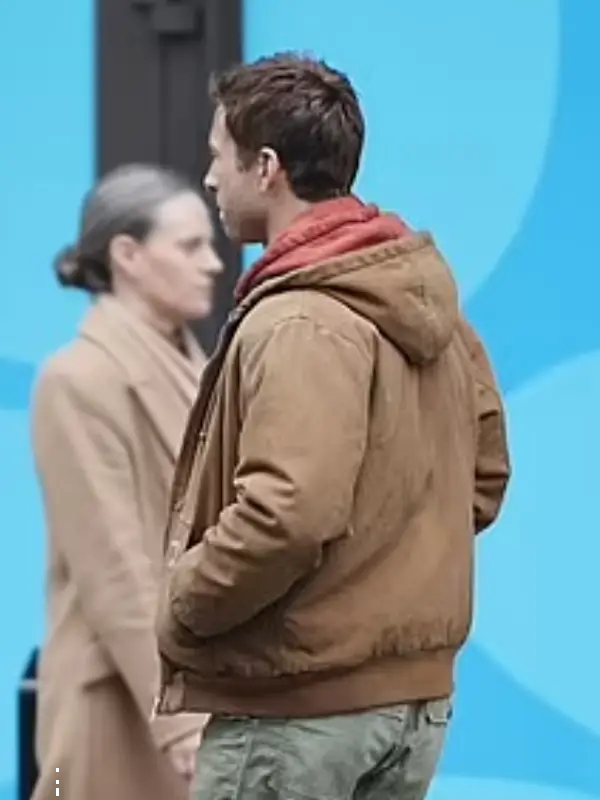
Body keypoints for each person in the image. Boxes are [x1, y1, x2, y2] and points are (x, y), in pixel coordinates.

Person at [155, 54, 511, 800]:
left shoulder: (297, 320)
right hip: (412, 711)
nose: (209, 179)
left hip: (297, 714)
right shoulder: (429, 304)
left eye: (218, 156)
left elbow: (288, 515)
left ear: (267, 168)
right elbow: (482, 480)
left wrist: (184, 600)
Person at [31, 163, 223, 800]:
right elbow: (113, 568)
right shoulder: (78, 380)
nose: (212, 264)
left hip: (198, 694)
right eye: (190, 246)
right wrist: (179, 719)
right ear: (127, 255)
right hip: (122, 705)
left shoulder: (196, 368)